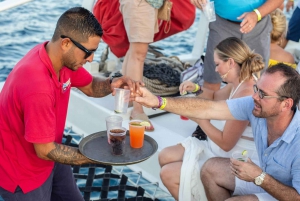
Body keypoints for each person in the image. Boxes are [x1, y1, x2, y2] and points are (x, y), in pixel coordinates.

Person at [0, 7, 141, 201]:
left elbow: (91, 86)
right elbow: (44, 151)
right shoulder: (37, 85)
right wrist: (100, 156)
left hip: (51, 154)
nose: (91, 59)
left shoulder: (60, 58)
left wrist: (112, 83)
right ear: (66, 43)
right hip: (23, 172)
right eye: (88, 52)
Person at [134, 63, 300, 200]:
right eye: (257, 89)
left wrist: (260, 177)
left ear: (286, 104)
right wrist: (157, 101)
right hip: (264, 177)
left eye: (263, 94)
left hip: (288, 193)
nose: (255, 97)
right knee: (211, 168)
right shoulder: (254, 106)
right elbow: (209, 108)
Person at [158, 37, 264, 200]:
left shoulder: (246, 93)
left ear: (230, 62)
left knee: (168, 174)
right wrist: (196, 88)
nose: (215, 70)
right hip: (217, 148)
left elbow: (226, 143)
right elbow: (214, 96)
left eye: (217, 64)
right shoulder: (237, 82)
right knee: (165, 155)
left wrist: (200, 119)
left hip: (234, 156)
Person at [190, 0, 283, 92]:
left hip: (258, 27)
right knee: (212, 80)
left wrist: (256, 14)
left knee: (259, 82)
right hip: (221, 26)